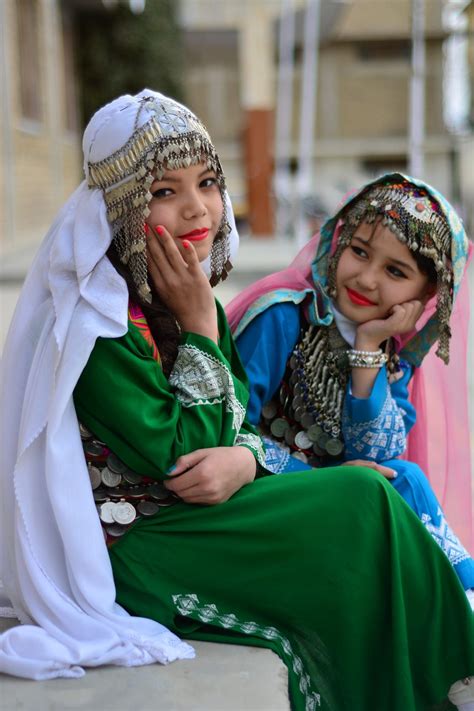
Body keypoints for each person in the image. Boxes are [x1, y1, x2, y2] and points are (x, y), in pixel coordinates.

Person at [0, 92, 473, 711]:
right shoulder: (92, 323)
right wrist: (201, 325)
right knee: (362, 501)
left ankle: (444, 672)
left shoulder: (181, 297)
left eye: (207, 183)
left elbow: (236, 424)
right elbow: (185, 453)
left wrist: (248, 454)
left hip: (204, 510)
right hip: (141, 546)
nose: (197, 208)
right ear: (119, 203)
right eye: (164, 191)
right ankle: (451, 673)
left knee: (381, 492)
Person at [227, 174, 474, 594]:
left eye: (395, 271)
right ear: (339, 242)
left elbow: (374, 455)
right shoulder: (283, 317)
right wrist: (322, 480)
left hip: (339, 502)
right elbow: (227, 430)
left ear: (426, 293)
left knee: (402, 479)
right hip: (265, 494)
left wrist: (369, 346)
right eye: (359, 251)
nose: (366, 278)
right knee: (399, 483)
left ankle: (460, 597)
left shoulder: (393, 352)